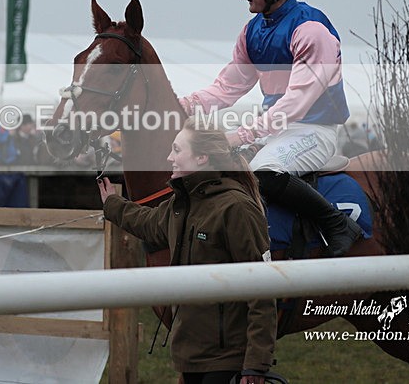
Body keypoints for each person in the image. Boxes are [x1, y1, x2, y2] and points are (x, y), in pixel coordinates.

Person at [178, 0, 361, 257]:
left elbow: (297, 102)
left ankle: (335, 223)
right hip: (277, 131)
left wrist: (242, 135)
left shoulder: (311, 29)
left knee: (263, 171)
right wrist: (182, 105)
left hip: (314, 131)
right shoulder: (252, 32)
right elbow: (227, 88)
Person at [98, 117, 276, 384]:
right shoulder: (181, 204)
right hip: (189, 358)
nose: (169, 157)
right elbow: (148, 223)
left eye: (177, 150)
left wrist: (256, 364)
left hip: (228, 361)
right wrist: (112, 204)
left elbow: (262, 289)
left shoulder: (236, 208)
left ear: (202, 157)